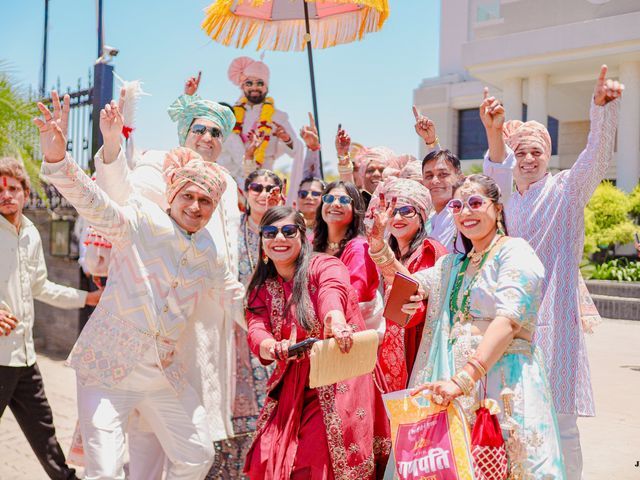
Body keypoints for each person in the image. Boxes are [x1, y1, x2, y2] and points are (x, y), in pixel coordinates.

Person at [35, 92, 244, 478]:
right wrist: (58, 159)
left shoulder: (208, 249)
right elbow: (97, 202)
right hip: (106, 370)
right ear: (172, 194)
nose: (196, 207)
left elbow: (233, 295)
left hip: (162, 375)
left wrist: (271, 336)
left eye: (205, 201)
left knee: (197, 456)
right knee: (106, 471)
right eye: (189, 197)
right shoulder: (142, 220)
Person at [481, 65, 623, 480]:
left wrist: (600, 110)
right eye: (520, 152)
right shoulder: (501, 200)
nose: (527, 159)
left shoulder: (566, 190)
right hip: (506, 320)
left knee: (562, 423)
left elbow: (597, 157)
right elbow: (493, 175)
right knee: (511, 414)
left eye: (536, 152)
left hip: (555, 320)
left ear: (549, 156)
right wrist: (493, 132)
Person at [400, 174, 566, 479]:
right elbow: (408, 284)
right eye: (457, 205)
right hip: (459, 387)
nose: (466, 212)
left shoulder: (515, 252)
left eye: (475, 203)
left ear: (497, 208)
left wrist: (464, 378)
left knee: (513, 465)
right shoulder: (455, 265)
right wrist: (379, 249)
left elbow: (508, 321)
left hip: (505, 382)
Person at [243, 206, 390, 479]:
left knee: (313, 459)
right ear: (262, 242)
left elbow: (332, 291)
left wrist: (334, 320)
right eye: (270, 233)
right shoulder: (261, 288)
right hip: (294, 382)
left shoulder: (324, 265)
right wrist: (273, 347)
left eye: (288, 231)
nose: (279, 239)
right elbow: (256, 330)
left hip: (337, 374)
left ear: (302, 236)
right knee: (267, 454)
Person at [0, 153, 101, 480]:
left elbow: (41, 286)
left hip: (24, 357)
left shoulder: (29, 232)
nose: (6, 194)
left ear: (25, 193)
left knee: (42, 428)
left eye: (13, 188)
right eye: (0, 189)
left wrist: (87, 297)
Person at [365, 178, 447, 391]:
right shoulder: (385, 252)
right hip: (385, 354)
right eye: (392, 211)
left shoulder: (431, 251)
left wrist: (379, 248)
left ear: (421, 216)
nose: (398, 217)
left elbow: (411, 306)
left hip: (417, 353)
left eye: (406, 211)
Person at [218, 57, 303, 189]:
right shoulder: (232, 115)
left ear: (266, 87)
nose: (254, 87)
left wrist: (286, 139)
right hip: (231, 180)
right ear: (242, 86)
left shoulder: (278, 116)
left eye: (260, 83)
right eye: (249, 83)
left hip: (264, 182)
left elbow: (296, 150)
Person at [313, 181, 383, 334]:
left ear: (355, 208)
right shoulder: (313, 245)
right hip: (318, 330)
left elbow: (353, 297)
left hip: (350, 334)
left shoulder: (360, 248)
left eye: (344, 200)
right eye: (329, 199)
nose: (335, 204)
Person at [412, 106, 466, 252]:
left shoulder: (462, 212)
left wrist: (433, 143)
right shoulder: (429, 221)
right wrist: (429, 141)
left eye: (443, 175)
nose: (435, 181)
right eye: (428, 176)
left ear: (459, 178)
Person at [296, 175, 325, 240]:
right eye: (303, 193)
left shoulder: (330, 228)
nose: (308, 197)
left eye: (315, 194)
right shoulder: (288, 224)